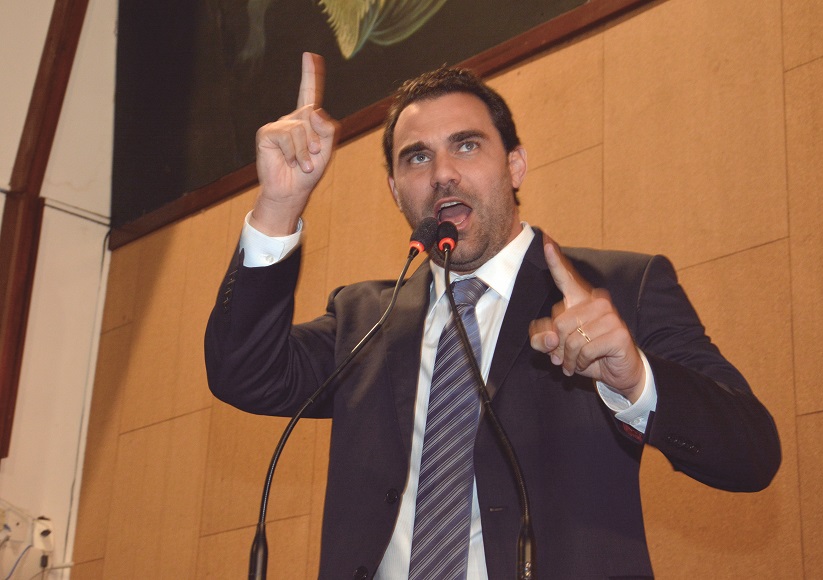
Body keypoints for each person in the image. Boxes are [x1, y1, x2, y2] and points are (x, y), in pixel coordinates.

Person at [205, 52, 781, 579]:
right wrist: (280, 203)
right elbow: (243, 372)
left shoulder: (620, 289)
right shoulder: (364, 321)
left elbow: (752, 453)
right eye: (418, 157)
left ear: (515, 166)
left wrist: (636, 380)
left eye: (466, 146)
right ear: (396, 191)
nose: (442, 173)